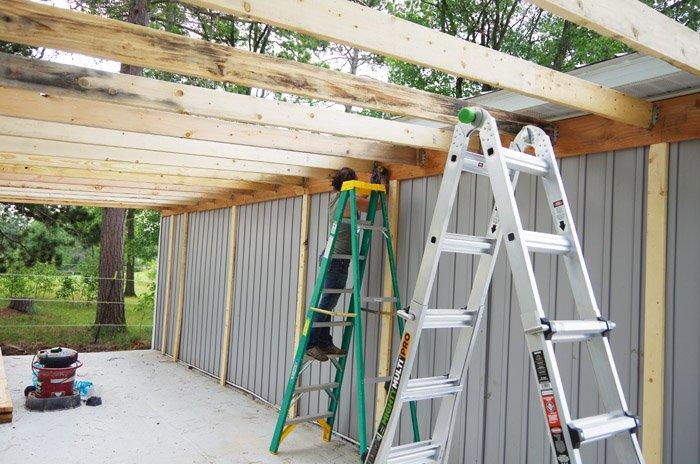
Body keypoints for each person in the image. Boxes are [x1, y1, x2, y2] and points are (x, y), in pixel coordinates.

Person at [305, 166, 389, 361]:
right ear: (350, 183)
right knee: (327, 303)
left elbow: (363, 201)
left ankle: (324, 342)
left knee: (329, 303)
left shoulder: (338, 198)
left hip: (334, 258)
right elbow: (372, 206)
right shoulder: (348, 201)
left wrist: (371, 186)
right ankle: (311, 343)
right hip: (336, 260)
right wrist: (382, 186)